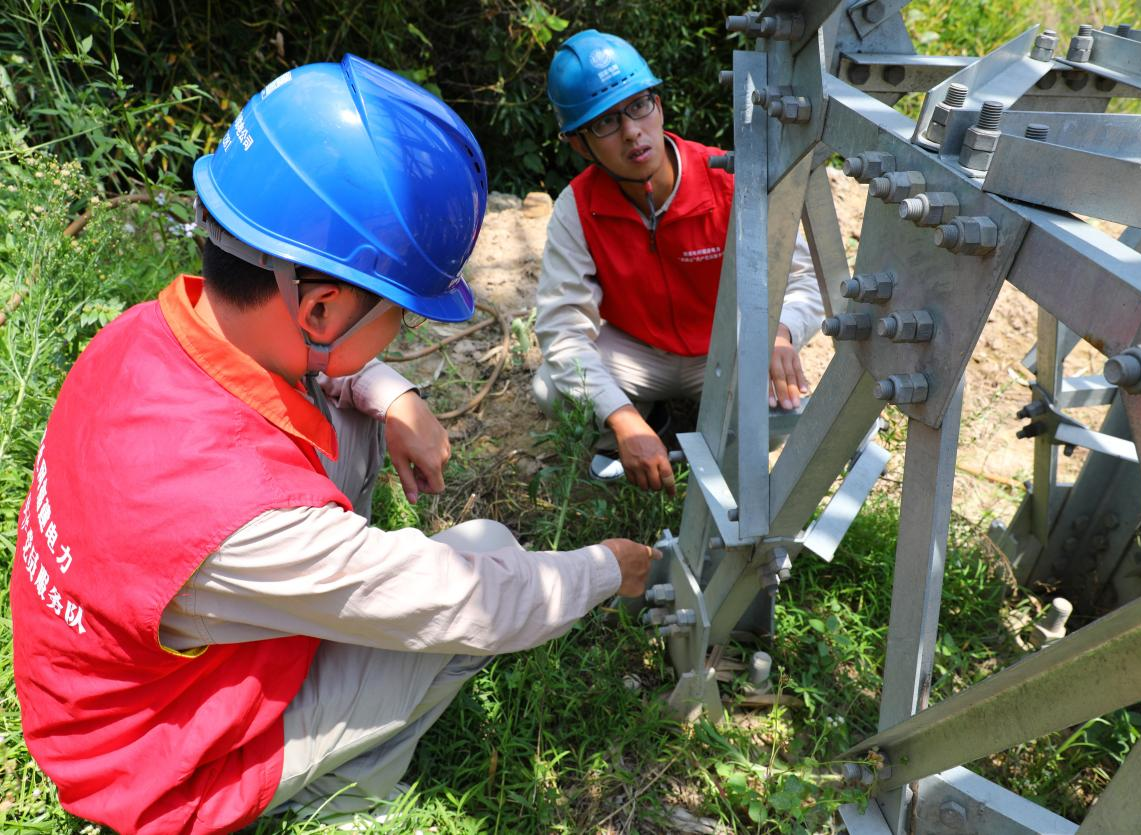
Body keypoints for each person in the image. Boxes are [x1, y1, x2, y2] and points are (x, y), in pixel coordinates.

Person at [10, 54, 658, 834]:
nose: (405, 328)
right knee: (486, 553)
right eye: (401, 311)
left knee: (351, 407)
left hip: (110, 689)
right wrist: (608, 568)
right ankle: (341, 797)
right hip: (154, 766)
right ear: (319, 309)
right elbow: (478, 604)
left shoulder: (141, 334)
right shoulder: (245, 522)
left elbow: (324, 372)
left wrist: (394, 392)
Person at [531, 30, 826, 495]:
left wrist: (779, 331)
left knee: (778, 413)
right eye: (605, 123)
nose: (631, 132)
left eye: (638, 106)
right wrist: (623, 419)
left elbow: (805, 281)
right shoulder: (578, 207)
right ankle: (651, 423)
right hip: (639, 353)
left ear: (659, 103)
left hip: (727, 346)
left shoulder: (727, 178)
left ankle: (710, 433)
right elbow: (562, 327)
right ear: (579, 144)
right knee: (552, 388)